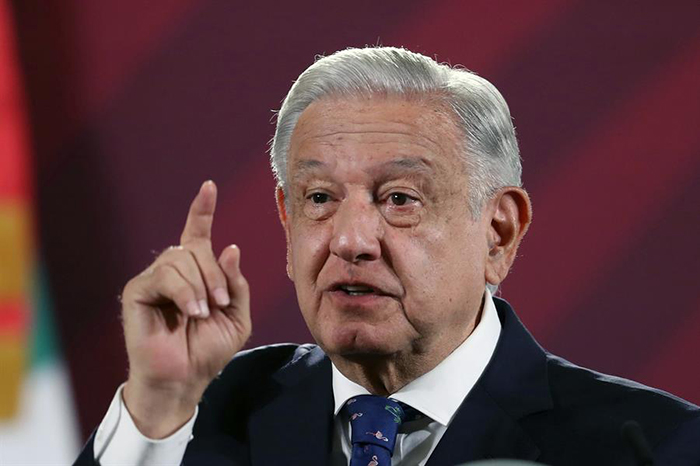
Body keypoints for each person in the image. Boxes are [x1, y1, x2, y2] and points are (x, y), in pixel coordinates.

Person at [74, 47, 700, 466]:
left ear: (499, 232)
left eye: (399, 198)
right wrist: (157, 402)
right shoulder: (212, 411)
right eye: (320, 198)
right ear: (288, 220)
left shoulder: (654, 447)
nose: (349, 240)